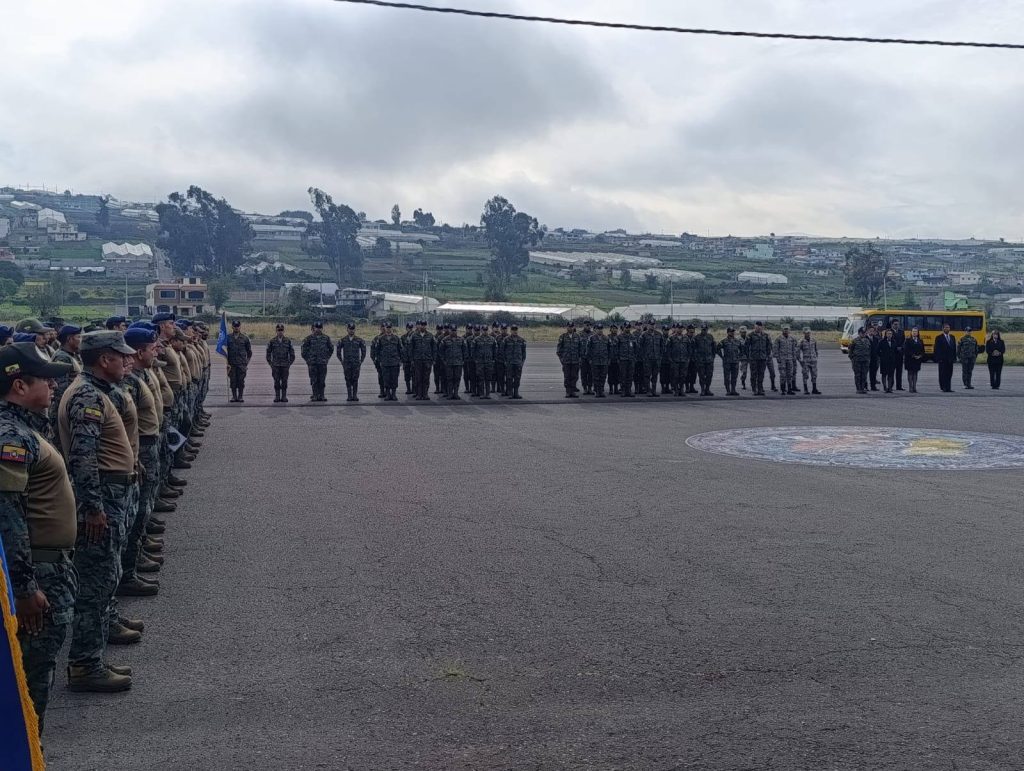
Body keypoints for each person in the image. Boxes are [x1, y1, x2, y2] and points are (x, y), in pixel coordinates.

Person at [57, 331, 139, 693]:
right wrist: (92, 507)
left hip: (110, 493)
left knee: (106, 574)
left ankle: (97, 649)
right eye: (120, 356)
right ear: (104, 360)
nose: (127, 361)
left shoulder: (96, 391)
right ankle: (85, 664)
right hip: (101, 496)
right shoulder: (88, 395)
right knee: (94, 581)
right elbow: (83, 456)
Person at [0, 344, 77, 730]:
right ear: (18, 385)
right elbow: (7, 516)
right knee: (29, 684)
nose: (53, 385)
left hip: (49, 566)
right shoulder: (10, 437)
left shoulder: (26, 427)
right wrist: (25, 588)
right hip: (37, 573)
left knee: (37, 675)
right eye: (45, 379)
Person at [300, 321, 333, 402]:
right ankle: (315, 395)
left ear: (322, 328)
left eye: (320, 328)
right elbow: (303, 351)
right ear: (313, 328)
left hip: (322, 363)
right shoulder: (308, 339)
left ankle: (322, 395)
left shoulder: (326, 338)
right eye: (316, 328)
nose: (318, 329)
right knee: (314, 380)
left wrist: (326, 358)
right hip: (313, 363)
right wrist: (308, 360)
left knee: (322, 380)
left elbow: (331, 349)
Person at [336, 323, 367, 402]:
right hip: (347, 364)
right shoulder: (343, 340)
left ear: (355, 330)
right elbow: (338, 352)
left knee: (355, 379)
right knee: (348, 379)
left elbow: (364, 351)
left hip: (356, 364)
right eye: (350, 329)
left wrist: (361, 361)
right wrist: (342, 361)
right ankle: (349, 395)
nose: (351, 331)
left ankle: (355, 395)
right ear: (347, 329)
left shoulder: (359, 340)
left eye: (353, 329)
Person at [266, 324, 296, 403]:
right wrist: (271, 363)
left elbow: (292, 354)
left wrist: (289, 363)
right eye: (278, 330)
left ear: (283, 331)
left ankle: (284, 396)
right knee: (276, 381)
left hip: (285, 365)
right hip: (275, 365)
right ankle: (277, 396)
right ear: (276, 331)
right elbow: (268, 353)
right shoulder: (272, 341)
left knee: (284, 381)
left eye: (281, 330)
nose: (280, 332)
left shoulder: (288, 341)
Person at [407, 320, 436, 400]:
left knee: (426, 378)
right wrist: (411, 359)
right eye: (421, 325)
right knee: (418, 378)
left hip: (427, 360)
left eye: (424, 325)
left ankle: (425, 394)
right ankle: (419, 394)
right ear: (419, 326)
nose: (423, 326)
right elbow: (410, 348)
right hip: (417, 360)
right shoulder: (414, 335)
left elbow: (434, 348)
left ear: (426, 326)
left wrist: (433, 359)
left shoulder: (430, 335)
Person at [225, 320, 252, 403]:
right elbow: (225, 351)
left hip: (241, 364)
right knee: (233, 381)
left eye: (238, 326)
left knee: (241, 381)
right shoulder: (228, 338)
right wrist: (226, 362)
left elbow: (249, 352)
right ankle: (234, 396)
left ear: (240, 327)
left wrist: (246, 363)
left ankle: (240, 396)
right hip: (231, 364)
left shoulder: (245, 338)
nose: (236, 328)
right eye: (235, 326)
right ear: (232, 327)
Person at [375, 322, 403, 401]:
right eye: (387, 327)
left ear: (392, 328)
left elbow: (401, 350)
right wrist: (380, 360)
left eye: (390, 327)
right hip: (385, 363)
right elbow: (377, 351)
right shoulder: (381, 339)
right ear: (385, 328)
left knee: (394, 378)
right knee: (386, 379)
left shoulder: (396, 338)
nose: (388, 329)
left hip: (395, 362)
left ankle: (393, 394)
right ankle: (387, 394)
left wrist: (401, 360)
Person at [556, 321, 582, 398]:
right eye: (569, 327)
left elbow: (580, 349)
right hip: (566, 361)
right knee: (567, 377)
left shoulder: (577, 337)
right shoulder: (563, 337)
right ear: (567, 327)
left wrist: (579, 359)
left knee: (574, 376)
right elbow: (559, 350)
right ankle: (568, 391)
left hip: (575, 361)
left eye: (571, 327)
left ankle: (572, 391)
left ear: (574, 327)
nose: (570, 328)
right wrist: (562, 360)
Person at [746, 322, 771, 396]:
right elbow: (746, 347)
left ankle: (760, 389)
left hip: (763, 358)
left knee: (761, 374)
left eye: (760, 327)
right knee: (753, 374)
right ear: (755, 327)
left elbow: (768, 346)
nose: (759, 329)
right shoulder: (750, 335)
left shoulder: (766, 335)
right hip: (753, 358)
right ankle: (754, 389)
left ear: (762, 327)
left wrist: (767, 355)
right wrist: (748, 356)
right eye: (757, 327)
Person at [773, 325, 799, 396]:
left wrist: (794, 358)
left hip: (790, 359)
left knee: (790, 374)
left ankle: (789, 389)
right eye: (785, 329)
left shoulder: (792, 339)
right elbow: (775, 349)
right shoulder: (778, 338)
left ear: (789, 330)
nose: (786, 331)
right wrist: (778, 358)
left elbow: (794, 349)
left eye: (787, 330)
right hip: (782, 359)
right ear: (782, 330)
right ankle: (783, 389)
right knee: (783, 375)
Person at [613, 323, 636, 398]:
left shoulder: (633, 337)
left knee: (630, 376)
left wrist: (634, 357)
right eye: (626, 327)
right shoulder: (619, 337)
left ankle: (628, 390)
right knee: (623, 375)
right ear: (624, 328)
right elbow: (615, 348)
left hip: (631, 359)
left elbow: (636, 348)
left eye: (629, 327)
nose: (628, 329)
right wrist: (618, 358)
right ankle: (623, 390)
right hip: (622, 359)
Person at [586, 324, 610, 397]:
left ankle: (601, 391)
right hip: (595, 361)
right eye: (598, 329)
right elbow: (588, 349)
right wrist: (589, 359)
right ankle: (597, 391)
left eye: (601, 329)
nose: (600, 330)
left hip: (604, 361)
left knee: (603, 376)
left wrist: (609, 359)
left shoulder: (606, 338)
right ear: (595, 329)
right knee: (596, 377)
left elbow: (609, 349)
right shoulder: (591, 338)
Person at [717, 327, 742, 396]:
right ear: (728, 332)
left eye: (733, 331)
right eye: (731, 332)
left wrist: (739, 357)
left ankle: (733, 390)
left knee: (734, 377)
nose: (732, 333)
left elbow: (742, 350)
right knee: (727, 377)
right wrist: (722, 357)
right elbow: (717, 349)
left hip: (735, 362)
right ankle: (728, 390)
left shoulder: (737, 341)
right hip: (727, 362)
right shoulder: (724, 341)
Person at [503, 325, 526, 399]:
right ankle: (510, 393)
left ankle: (516, 393)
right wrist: (505, 361)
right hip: (509, 362)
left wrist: (522, 362)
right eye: (513, 330)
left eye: (515, 330)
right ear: (510, 331)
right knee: (509, 378)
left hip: (518, 362)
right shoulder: (506, 340)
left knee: (517, 378)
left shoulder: (521, 340)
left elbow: (524, 353)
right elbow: (502, 351)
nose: (514, 331)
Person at [693, 323, 716, 396]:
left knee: (709, 375)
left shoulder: (710, 337)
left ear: (707, 329)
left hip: (709, 360)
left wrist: (712, 357)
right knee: (701, 376)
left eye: (705, 329)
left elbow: (714, 347)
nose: (704, 331)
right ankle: (702, 389)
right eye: (703, 330)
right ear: (701, 330)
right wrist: (696, 358)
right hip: (700, 360)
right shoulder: (697, 338)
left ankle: (707, 389)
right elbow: (694, 348)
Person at [933, 323, 957, 392]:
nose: (947, 329)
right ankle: (943, 387)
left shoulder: (952, 337)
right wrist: (938, 358)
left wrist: (954, 358)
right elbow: (936, 349)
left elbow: (954, 348)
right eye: (945, 327)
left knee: (949, 374)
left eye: (948, 327)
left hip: (950, 359)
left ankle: (948, 388)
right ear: (942, 329)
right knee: (942, 374)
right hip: (942, 359)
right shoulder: (939, 337)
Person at [667, 324, 689, 397]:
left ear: (683, 329)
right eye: (678, 328)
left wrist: (688, 358)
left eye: (681, 328)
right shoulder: (671, 338)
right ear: (676, 329)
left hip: (683, 360)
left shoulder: (686, 338)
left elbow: (689, 349)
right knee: (675, 376)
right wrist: (670, 359)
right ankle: (676, 390)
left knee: (683, 376)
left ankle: (681, 389)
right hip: (675, 360)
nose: (680, 329)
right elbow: (668, 349)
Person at [797, 328, 821, 395]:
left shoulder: (813, 340)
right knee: (805, 375)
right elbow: (797, 351)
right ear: (804, 333)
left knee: (814, 375)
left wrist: (816, 357)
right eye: (806, 333)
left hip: (813, 361)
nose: (808, 334)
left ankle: (814, 389)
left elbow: (816, 349)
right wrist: (800, 360)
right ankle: (806, 389)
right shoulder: (801, 341)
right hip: (806, 361)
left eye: (809, 333)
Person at [848, 327, 872, 394]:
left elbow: (869, 350)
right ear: (859, 333)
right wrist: (852, 358)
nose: (863, 334)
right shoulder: (854, 341)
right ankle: (858, 389)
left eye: (864, 333)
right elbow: (850, 350)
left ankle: (862, 388)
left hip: (865, 360)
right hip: (857, 361)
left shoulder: (867, 341)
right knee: (858, 375)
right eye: (862, 333)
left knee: (864, 375)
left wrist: (868, 358)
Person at [903, 326, 925, 393]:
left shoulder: (920, 341)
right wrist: (913, 355)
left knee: (915, 373)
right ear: (911, 332)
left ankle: (914, 387)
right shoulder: (907, 340)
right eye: (913, 331)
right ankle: (910, 387)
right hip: (910, 359)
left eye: (916, 331)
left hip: (917, 360)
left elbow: (923, 350)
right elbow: (906, 350)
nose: (914, 333)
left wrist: (920, 356)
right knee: (910, 373)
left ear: (918, 333)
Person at [877, 328, 898, 392]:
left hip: (892, 361)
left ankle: (889, 387)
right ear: (886, 334)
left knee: (890, 375)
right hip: (884, 361)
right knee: (884, 374)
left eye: (890, 334)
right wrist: (882, 356)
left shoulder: (894, 342)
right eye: (888, 334)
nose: (889, 335)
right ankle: (885, 387)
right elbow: (877, 351)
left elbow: (895, 351)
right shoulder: (882, 342)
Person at [890, 320, 906, 390]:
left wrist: (901, 347)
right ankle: (890, 385)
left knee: (899, 371)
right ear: (892, 325)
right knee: (891, 371)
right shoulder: (889, 332)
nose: (896, 326)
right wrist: (896, 347)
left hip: (900, 354)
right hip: (893, 354)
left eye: (897, 324)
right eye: (895, 324)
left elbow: (904, 341)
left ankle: (899, 386)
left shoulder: (901, 332)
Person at [737, 326, 750, 390]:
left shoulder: (749, 338)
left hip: (750, 356)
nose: (743, 333)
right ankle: (743, 382)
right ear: (740, 332)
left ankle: (755, 384)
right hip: (743, 357)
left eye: (744, 332)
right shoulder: (737, 339)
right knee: (744, 371)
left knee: (754, 371)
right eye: (742, 332)